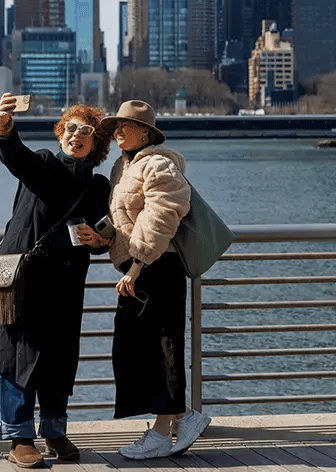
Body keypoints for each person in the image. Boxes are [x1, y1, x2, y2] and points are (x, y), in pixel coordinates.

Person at [0, 93, 113, 468]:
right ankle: (18, 435)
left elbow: (101, 236)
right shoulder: (46, 164)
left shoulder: (97, 187)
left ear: (96, 146)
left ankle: (53, 429)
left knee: (60, 357)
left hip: (66, 283)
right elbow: (17, 158)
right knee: (19, 353)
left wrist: (100, 240)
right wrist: (4, 127)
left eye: (87, 132)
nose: (77, 134)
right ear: (61, 133)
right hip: (25, 279)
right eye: (71, 128)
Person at [92, 99, 211, 459]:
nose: (118, 132)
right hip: (136, 269)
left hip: (157, 267)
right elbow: (128, 218)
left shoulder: (159, 163)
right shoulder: (121, 167)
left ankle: (163, 431)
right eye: (116, 127)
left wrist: (137, 264)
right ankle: (182, 418)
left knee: (162, 347)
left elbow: (163, 215)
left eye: (126, 126)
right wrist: (104, 236)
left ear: (146, 132)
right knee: (133, 349)